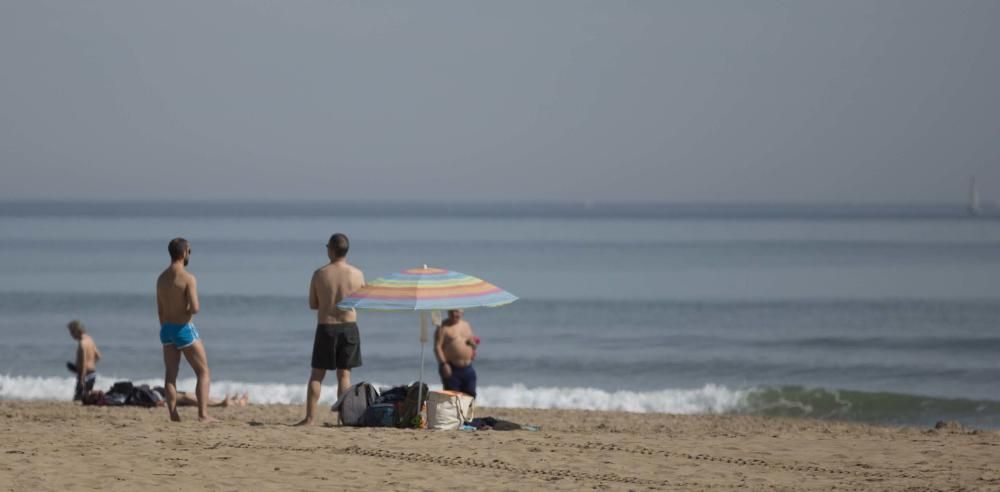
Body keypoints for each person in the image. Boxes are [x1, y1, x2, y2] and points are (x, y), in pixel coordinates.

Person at [296, 233, 365, 426]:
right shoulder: (357, 274)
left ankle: (310, 418)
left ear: (332, 250)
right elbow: (360, 302)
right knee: (344, 375)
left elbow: (313, 303)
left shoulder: (320, 274)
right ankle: (343, 419)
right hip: (348, 327)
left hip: (326, 326)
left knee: (317, 374)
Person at [156, 237, 214, 422]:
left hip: (166, 330)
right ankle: (203, 414)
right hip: (183, 329)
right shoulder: (188, 278)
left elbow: (160, 310)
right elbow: (195, 307)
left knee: (171, 375)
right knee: (203, 372)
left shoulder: (161, 278)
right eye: (189, 251)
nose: (189, 254)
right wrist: (186, 311)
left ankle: (173, 414)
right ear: (183, 253)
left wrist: (167, 326)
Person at [434, 309, 479, 398]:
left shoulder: (466, 325)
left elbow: (471, 341)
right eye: (452, 312)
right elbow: (437, 347)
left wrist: (473, 346)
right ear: (448, 312)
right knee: (453, 398)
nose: (455, 314)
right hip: (451, 368)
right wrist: (444, 364)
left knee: (470, 395)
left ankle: (467, 412)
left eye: (457, 312)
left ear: (462, 312)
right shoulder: (443, 327)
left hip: (467, 367)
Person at [66, 320, 102, 401]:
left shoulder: (82, 343)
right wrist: (91, 363)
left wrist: (81, 379)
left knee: (78, 399)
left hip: (85, 376)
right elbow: (98, 356)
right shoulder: (90, 339)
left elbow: (83, 362)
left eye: (72, 332)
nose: (71, 335)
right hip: (92, 374)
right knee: (86, 398)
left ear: (77, 330)